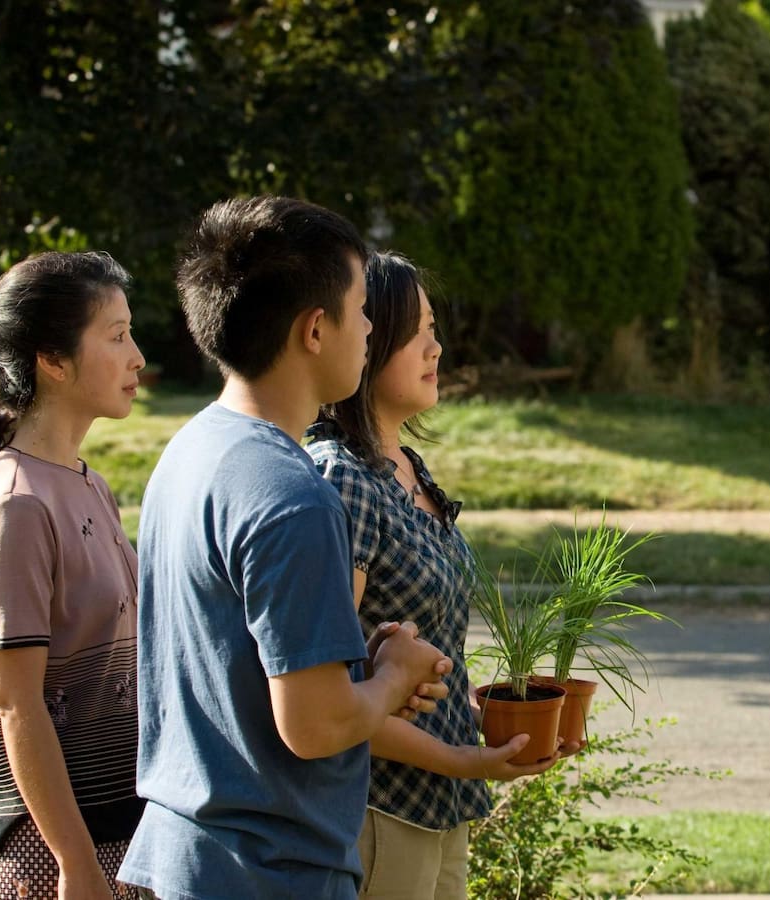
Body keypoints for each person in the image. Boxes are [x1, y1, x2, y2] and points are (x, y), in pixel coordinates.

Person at [117, 197, 451, 900]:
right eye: (362, 308)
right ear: (315, 329)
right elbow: (315, 722)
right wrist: (392, 677)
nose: (370, 328)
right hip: (271, 873)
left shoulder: (189, 451)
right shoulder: (292, 493)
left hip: (186, 857)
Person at [307, 251, 561, 899]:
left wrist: (481, 713)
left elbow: (419, 642)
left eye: (434, 327)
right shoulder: (344, 477)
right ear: (369, 338)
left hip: (442, 809)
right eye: (415, 330)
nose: (436, 347)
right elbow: (328, 691)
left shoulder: (408, 467)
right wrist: (463, 759)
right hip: (382, 810)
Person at [0, 251, 147, 900]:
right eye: (116, 337)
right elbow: (16, 702)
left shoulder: (90, 484)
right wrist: (75, 861)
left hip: (127, 836)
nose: (137, 356)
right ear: (52, 360)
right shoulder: (17, 505)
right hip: (55, 858)